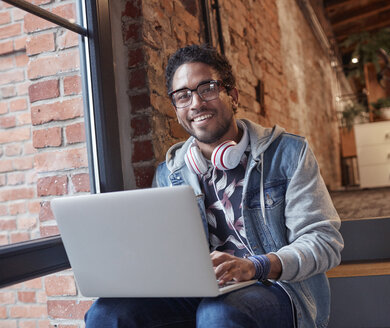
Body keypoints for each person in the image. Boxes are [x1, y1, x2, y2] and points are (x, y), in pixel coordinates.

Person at [85, 44, 344, 328]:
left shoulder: (288, 153)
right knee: (106, 313)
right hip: (203, 292)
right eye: (183, 96)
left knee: (218, 315)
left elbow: (323, 242)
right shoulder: (170, 174)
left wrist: (256, 266)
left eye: (206, 88)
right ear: (176, 109)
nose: (195, 103)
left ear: (232, 96)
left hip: (278, 286)